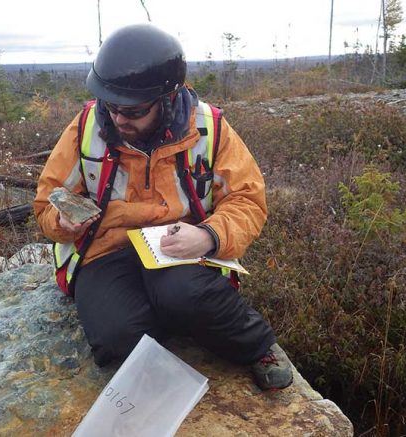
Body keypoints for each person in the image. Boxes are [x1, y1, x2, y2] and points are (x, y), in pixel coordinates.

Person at [34, 24, 292, 391]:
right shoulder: (85, 129)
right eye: (112, 106)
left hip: (178, 247)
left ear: (167, 99)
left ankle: (256, 347)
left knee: (185, 295)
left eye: (134, 111)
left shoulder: (209, 129)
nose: (120, 119)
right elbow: (46, 201)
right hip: (106, 250)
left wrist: (208, 235)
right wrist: (62, 224)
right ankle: (163, 326)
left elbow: (247, 199)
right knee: (115, 337)